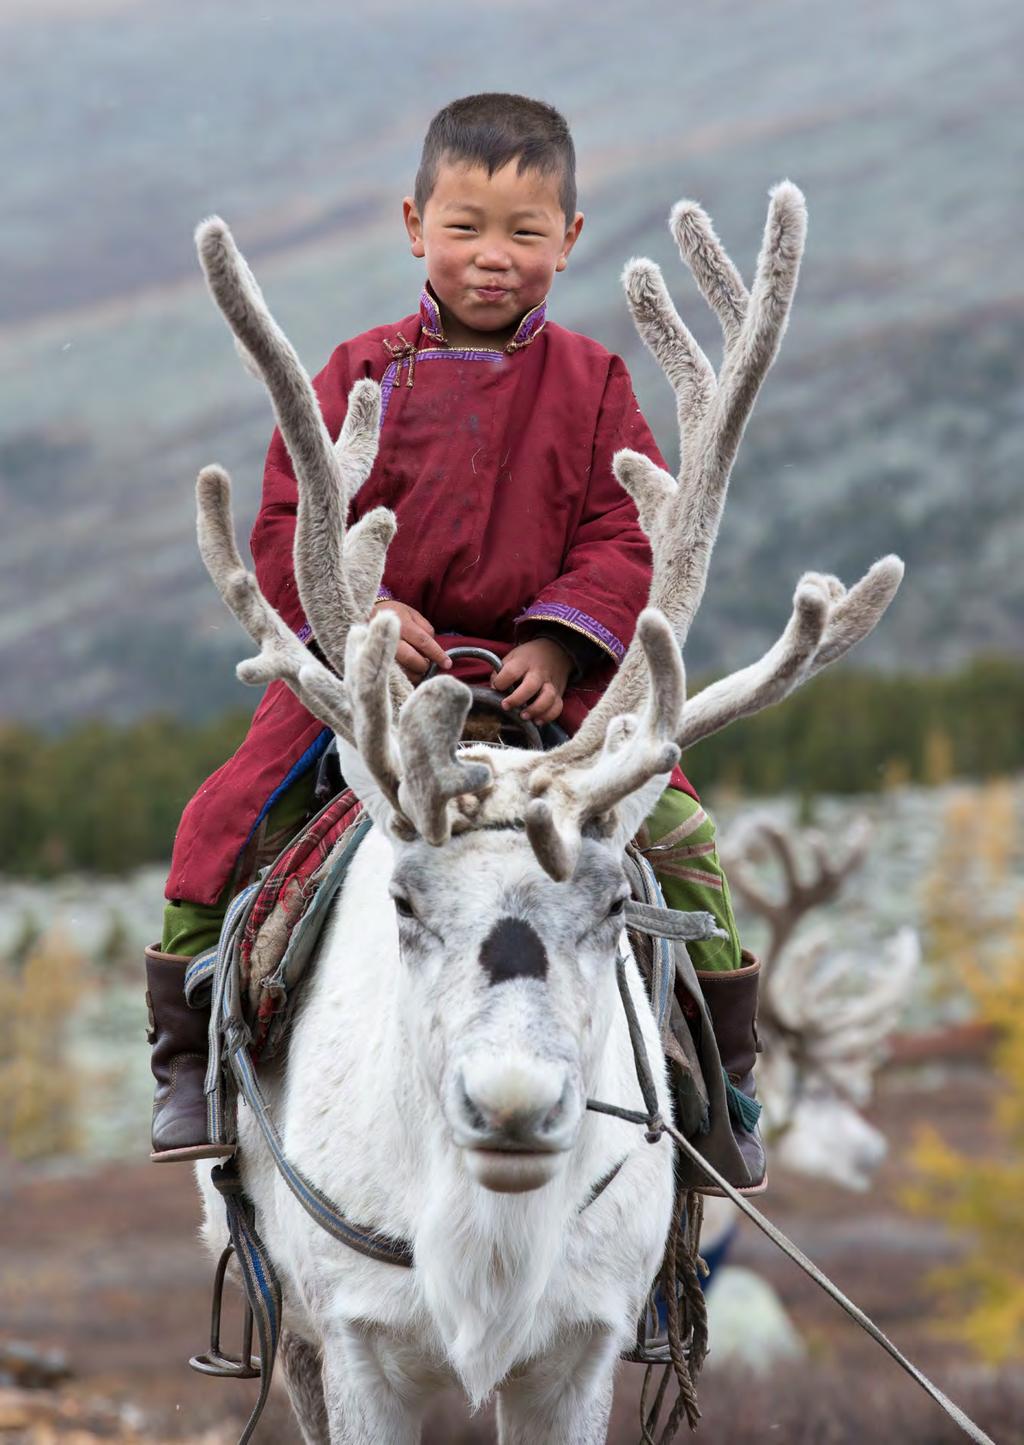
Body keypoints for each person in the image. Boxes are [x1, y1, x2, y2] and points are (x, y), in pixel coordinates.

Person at [146, 93, 761, 1182]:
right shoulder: (349, 374)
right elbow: (294, 522)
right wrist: (367, 613)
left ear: (569, 241)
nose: (492, 258)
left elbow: (631, 527)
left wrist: (565, 644)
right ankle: (188, 1050)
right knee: (223, 813)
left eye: (524, 234)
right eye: (465, 228)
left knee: (680, 835)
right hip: (373, 692)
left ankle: (722, 1076)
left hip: (548, 703)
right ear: (412, 223)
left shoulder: (594, 381)